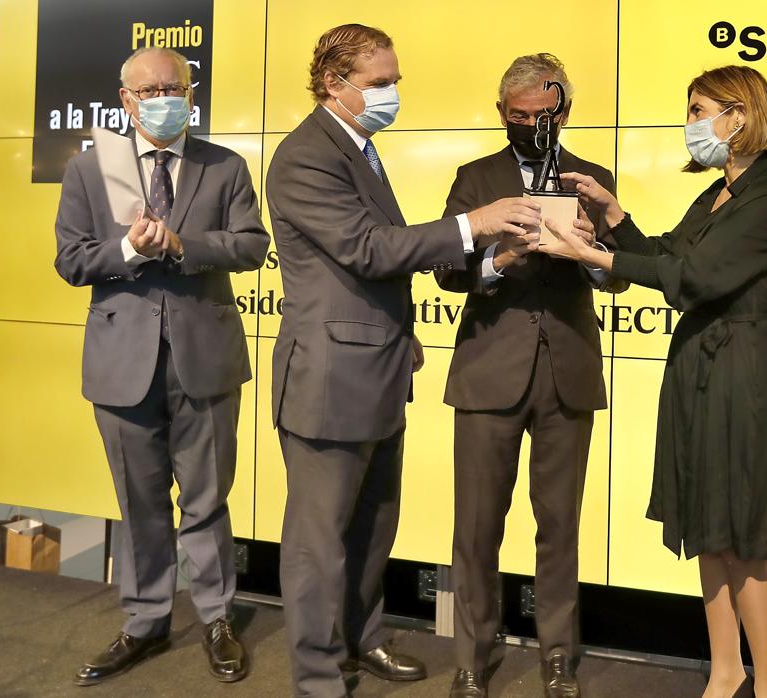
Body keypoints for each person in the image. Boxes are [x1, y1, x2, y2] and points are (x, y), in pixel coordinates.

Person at [264, 24, 540, 698]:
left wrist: (402, 327)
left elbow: (372, 269)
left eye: (395, 81)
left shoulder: (360, 148)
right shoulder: (306, 155)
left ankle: (362, 641)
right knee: (317, 543)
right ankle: (319, 677)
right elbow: (369, 250)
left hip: (378, 371)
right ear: (333, 83)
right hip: (330, 380)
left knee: (372, 527)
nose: (392, 94)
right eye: (379, 83)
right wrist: (476, 224)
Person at [540, 65, 767, 698]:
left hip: (742, 367)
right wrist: (612, 215)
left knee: (743, 533)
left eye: (698, 109)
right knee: (709, 528)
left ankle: (765, 683)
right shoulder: (719, 191)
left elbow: (702, 278)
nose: (690, 124)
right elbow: (664, 255)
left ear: (738, 116)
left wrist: (592, 255)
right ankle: (725, 672)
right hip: (697, 365)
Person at [54, 46, 269, 686]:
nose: (162, 97)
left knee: (206, 499)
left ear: (191, 93)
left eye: (173, 86)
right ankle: (146, 620)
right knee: (139, 501)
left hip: (205, 359)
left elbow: (253, 245)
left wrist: (183, 244)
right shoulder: (89, 171)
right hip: (122, 364)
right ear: (125, 100)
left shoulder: (224, 166)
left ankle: (215, 618)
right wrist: (125, 248)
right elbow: (71, 261)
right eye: (148, 90)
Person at [436, 53, 622, 698]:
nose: (531, 126)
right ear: (502, 114)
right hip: (490, 369)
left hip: (567, 368)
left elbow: (618, 273)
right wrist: (501, 259)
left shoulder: (592, 180)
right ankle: (470, 658)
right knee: (477, 525)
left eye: (543, 116)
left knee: (560, 525)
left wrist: (590, 249)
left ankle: (558, 658)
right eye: (518, 117)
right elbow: (447, 270)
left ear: (563, 111)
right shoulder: (475, 177)